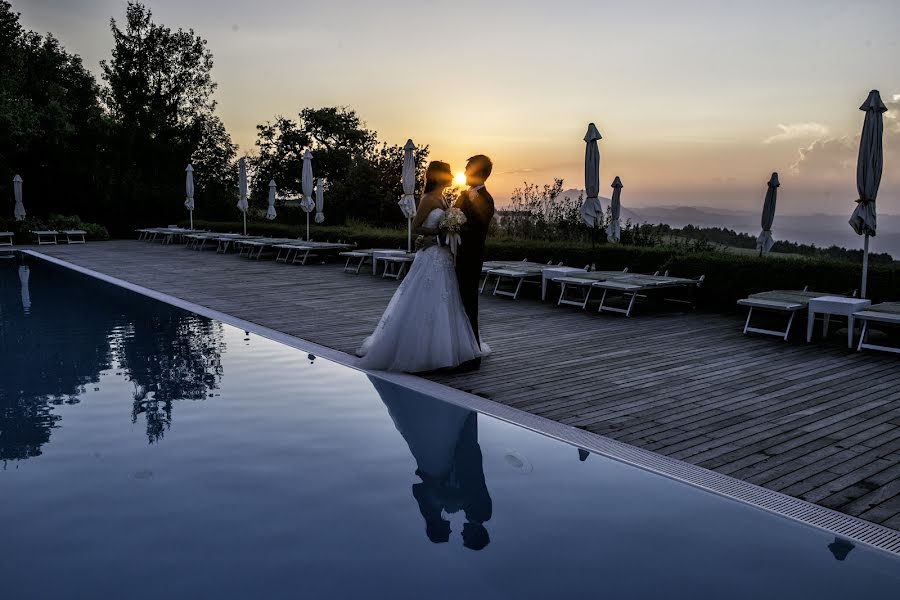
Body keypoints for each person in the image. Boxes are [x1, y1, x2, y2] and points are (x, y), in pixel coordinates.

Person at [356, 161, 485, 373]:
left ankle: (446, 349)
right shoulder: (428, 199)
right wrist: (439, 234)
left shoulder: (443, 197)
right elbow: (416, 227)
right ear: (439, 176)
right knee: (425, 301)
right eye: (449, 172)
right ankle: (420, 351)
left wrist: (446, 232)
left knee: (445, 303)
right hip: (431, 257)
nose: (452, 176)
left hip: (442, 256)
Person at [452, 155, 495, 371]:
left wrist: (450, 231)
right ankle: (460, 349)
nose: (464, 172)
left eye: (468, 169)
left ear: (479, 173)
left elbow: (475, 231)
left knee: (469, 305)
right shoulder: (464, 195)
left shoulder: (485, 199)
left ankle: (471, 356)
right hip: (457, 258)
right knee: (458, 305)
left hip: (470, 259)